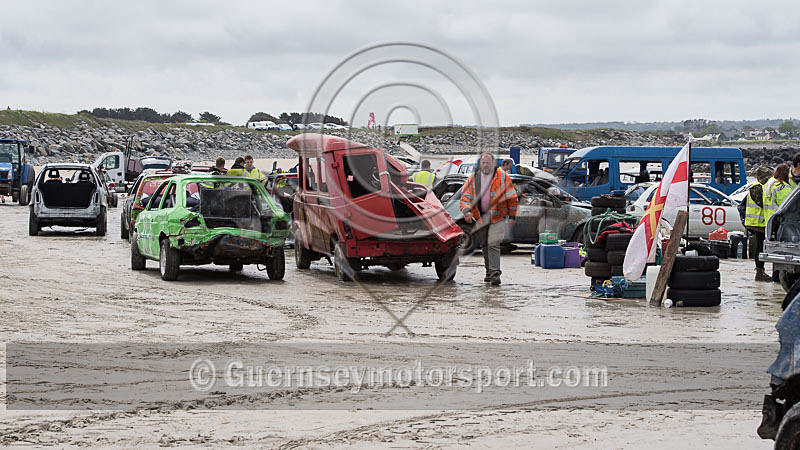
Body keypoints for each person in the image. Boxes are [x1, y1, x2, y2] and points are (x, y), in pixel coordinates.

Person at [459, 153, 518, 285]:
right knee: (485, 246)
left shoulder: (502, 176)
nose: (485, 165)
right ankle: (489, 272)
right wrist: (467, 211)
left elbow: (512, 197)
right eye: (483, 163)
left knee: (493, 244)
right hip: (480, 218)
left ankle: (495, 273)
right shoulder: (474, 178)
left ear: (493, 163)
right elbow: (465, 198)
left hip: (498, 217)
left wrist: (512, 216)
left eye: (488, 163)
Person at [744, 166, 774, 281]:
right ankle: (759, 272)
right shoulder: (757, 187)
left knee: (761, 246)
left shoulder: (761, 186)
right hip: (757, 223)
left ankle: (761, 271)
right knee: (760, 247)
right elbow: (763, 203)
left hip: (761, 222)